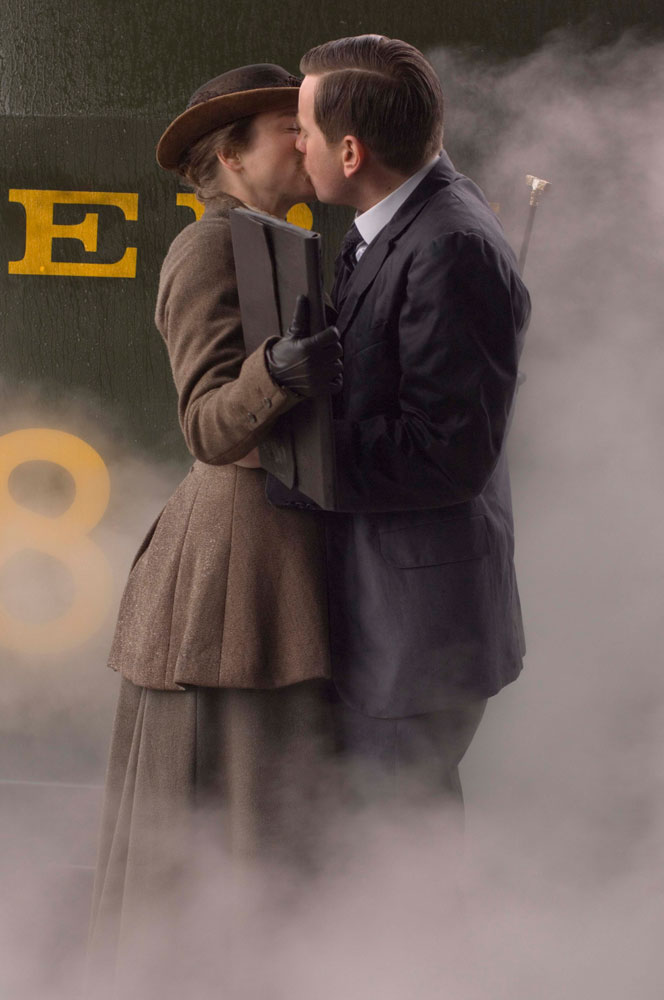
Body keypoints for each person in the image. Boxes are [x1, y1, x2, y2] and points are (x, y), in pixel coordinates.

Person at [87, 64, 342, 996]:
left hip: (271, 556)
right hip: (229, 573)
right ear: (230, 155)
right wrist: (279, 371)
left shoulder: (279, 239)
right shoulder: (207, 248)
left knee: (266, 816)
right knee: (217, 814)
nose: (306, 142)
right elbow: (206, 425)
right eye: (287, 128)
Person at [271, 35, 531, 814]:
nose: (296, 144)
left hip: (416, 634)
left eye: (304, 131)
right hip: (393, 613)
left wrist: (285, 450)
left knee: (400, 847)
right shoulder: (399, 221)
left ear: (350, 152)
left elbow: (445, 454)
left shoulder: (449, 246)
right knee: (377, 844)